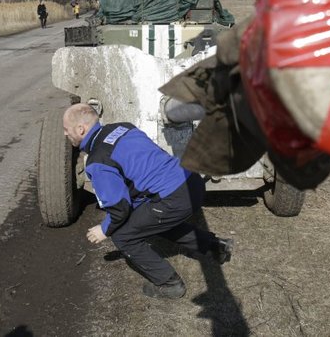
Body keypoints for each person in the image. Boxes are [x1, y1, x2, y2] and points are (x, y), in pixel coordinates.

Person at [62, 103, 234, 299]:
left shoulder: (98, 161)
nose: (65, 134)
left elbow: (119, 209)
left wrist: (104, 229)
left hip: (175, 196)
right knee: (152, 221)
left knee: (123, 236)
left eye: (66, 130)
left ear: (80, 129)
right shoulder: (122, 127)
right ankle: (217, 246)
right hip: (191, 181)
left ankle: (170, 284)